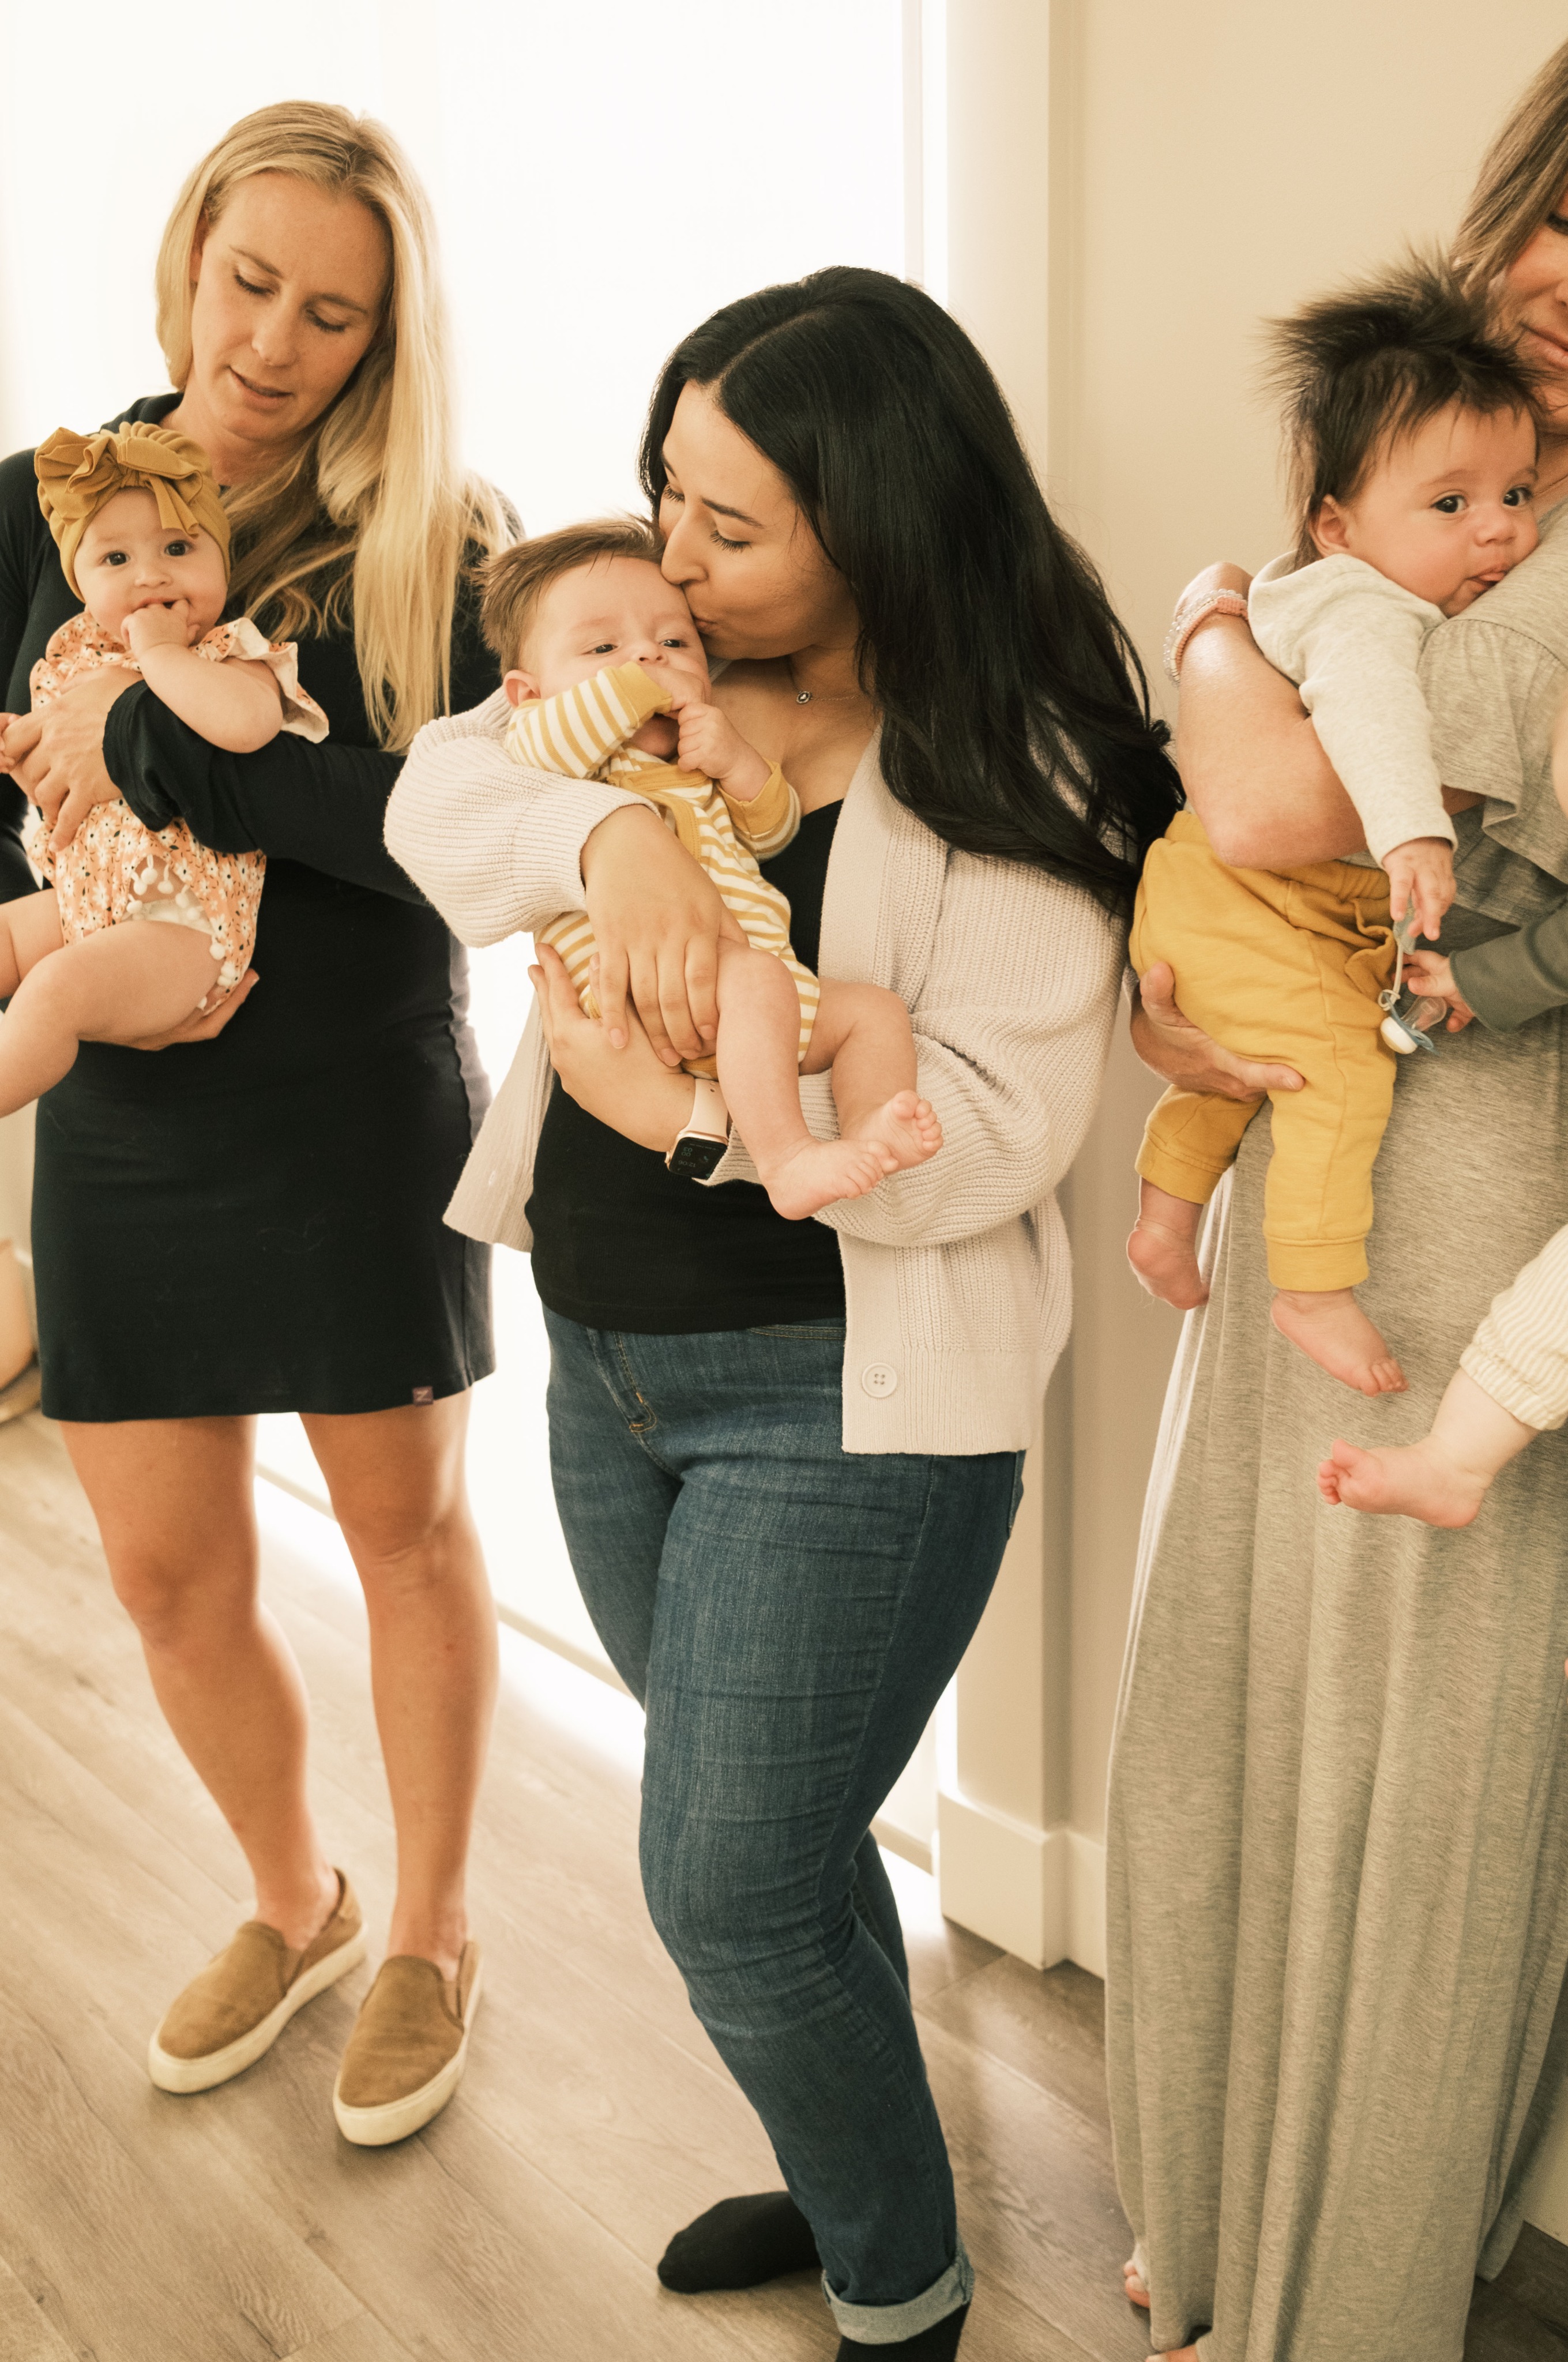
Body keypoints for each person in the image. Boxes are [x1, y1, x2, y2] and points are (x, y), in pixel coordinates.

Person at [388, 267, 1180, 2357]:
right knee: (783, 1849)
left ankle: (903, 2291)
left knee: (730, 1887)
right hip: (616, 1375)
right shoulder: (641, 677)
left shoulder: (1006, 759)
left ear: (877, 517)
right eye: (668, 497)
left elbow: (996, 1132)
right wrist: (614, 848)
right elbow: (432, 809)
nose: (671, 558)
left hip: (848, 1409)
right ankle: (861, 2177)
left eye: (728, 527)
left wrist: (711, 1123)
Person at [1106, 36, 1568, 2362]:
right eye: (1550, 206)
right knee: (1234, 1690)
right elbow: (1222, 824)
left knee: (1412, 1763)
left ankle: (1340, 2278)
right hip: (1317, 1121)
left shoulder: (1523, 574)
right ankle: (1201, 2194)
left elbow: (1278, 797)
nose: (1566, 271)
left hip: (1476, 1186)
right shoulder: (1452, 473)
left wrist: (1211, 620)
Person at [0, 102, 505, 2146]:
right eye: (248, 282)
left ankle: (436, 1930)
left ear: (387, 336)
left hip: (349, 1112)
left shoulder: (439, 547)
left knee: (402, 1535)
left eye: (332, 313)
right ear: (187, 251)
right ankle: (298, 1900)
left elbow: (434, 846)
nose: (275, 342)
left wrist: (145, 746)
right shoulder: (50, 501)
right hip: (127, 1102)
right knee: (166, 1575)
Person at [1127, 261, 1540, 1397]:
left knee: (1240, 1069)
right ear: (1337, 525)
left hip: (1224, 898)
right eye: (1451, 505)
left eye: (1518, 495)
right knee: (1331, 1074)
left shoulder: (1345, 588)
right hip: (1251, 896)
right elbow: (1363, 716)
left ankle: (1165, 1220)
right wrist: (1411, 833)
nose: (1499, 533)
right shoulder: (1361, 606)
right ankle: (1309, 1284)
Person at [482, 518, 942, 1217]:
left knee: (871, 1015)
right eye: (603, 646)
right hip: (641, 995)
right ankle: (788, 1159)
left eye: (674, 641)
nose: (646, 657)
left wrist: (737, 764)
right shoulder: (554, 749)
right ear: (527, 693)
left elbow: (771, 834)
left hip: (752, 998)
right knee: (759, 980)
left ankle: (874, 1126)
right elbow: (551, 739)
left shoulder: (684, 767)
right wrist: (647, 675)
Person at [0, 422, 329, 1112]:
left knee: (54, 991)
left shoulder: (234, 653)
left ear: (222, 560)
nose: (150, 574)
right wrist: (17, 744)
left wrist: (159, 657)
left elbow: (245, 728)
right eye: (114, 560)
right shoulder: (78, 659)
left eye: (178, 548)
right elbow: (52, 756)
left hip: (184, 928)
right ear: (80, 583)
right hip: (83, 904)